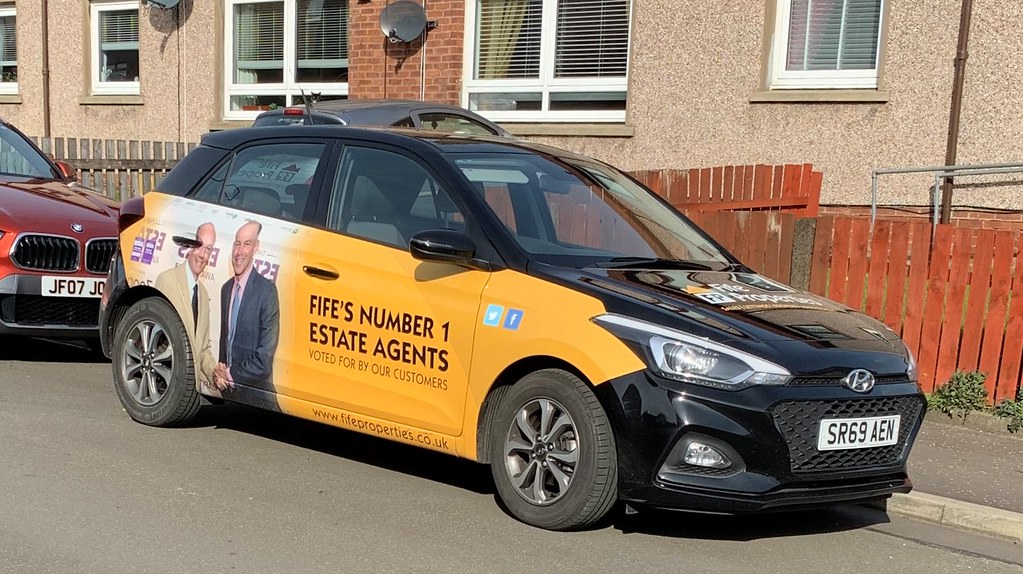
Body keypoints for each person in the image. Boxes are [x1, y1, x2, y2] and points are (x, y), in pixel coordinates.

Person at [214, 220, 280, 396]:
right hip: (229, 396)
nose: (239, 252)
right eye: (237, 243)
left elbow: (263, 360)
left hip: (258, 400)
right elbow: (226, 343)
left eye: (247, 244)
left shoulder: (267, 291)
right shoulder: (226, 289)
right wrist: (220, 372)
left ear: (256, 248)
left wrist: (229, 374)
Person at [154, 222, 217, 390]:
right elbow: (156, 335)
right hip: (165, 385)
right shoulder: (167, 280)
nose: (203, 255)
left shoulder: (203, 294)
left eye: (208, 249)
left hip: (189, 392)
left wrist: (216, 375)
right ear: (190, 246)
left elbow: (201, 350)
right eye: (200, 246)